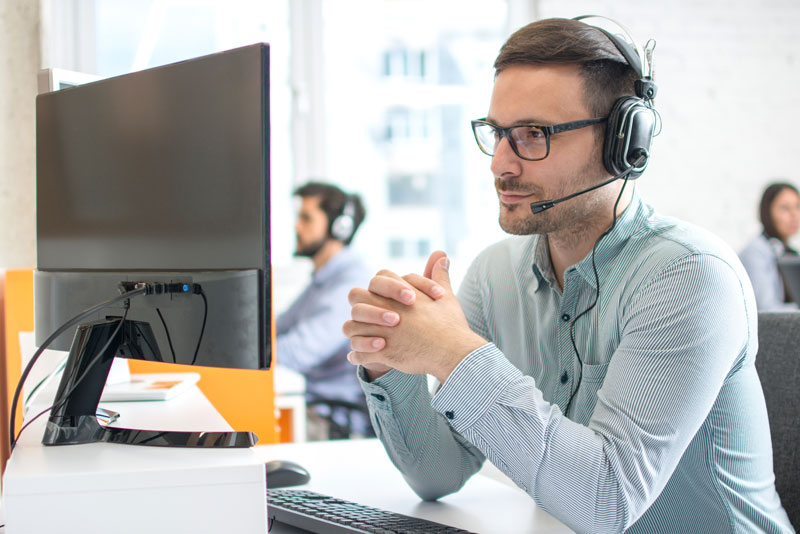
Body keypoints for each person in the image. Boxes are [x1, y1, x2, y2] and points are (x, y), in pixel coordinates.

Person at [342, 17, 793, 534]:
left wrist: (453, 355)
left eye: (534, 134)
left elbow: (607, 503)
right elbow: (437, 475)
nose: (500, 165)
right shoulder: (495, 274)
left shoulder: (690, 277)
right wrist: (392, 359)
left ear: (622, 142)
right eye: (497, 134)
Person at [276, 181, 372, 438]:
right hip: (310, 404)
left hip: (331, 418)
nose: (297, 227)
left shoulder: (349, 286)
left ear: (339, 228)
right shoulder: (323, 281)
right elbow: (276, 328)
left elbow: (297, 353)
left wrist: (241, 355)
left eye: (306, 218)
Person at [739, 182, 800, 311]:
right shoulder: (755, 253)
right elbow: (766, 309)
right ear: (767, 212)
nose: (794, 215)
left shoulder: (790, 252)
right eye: (785, 208)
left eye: (797, 207)